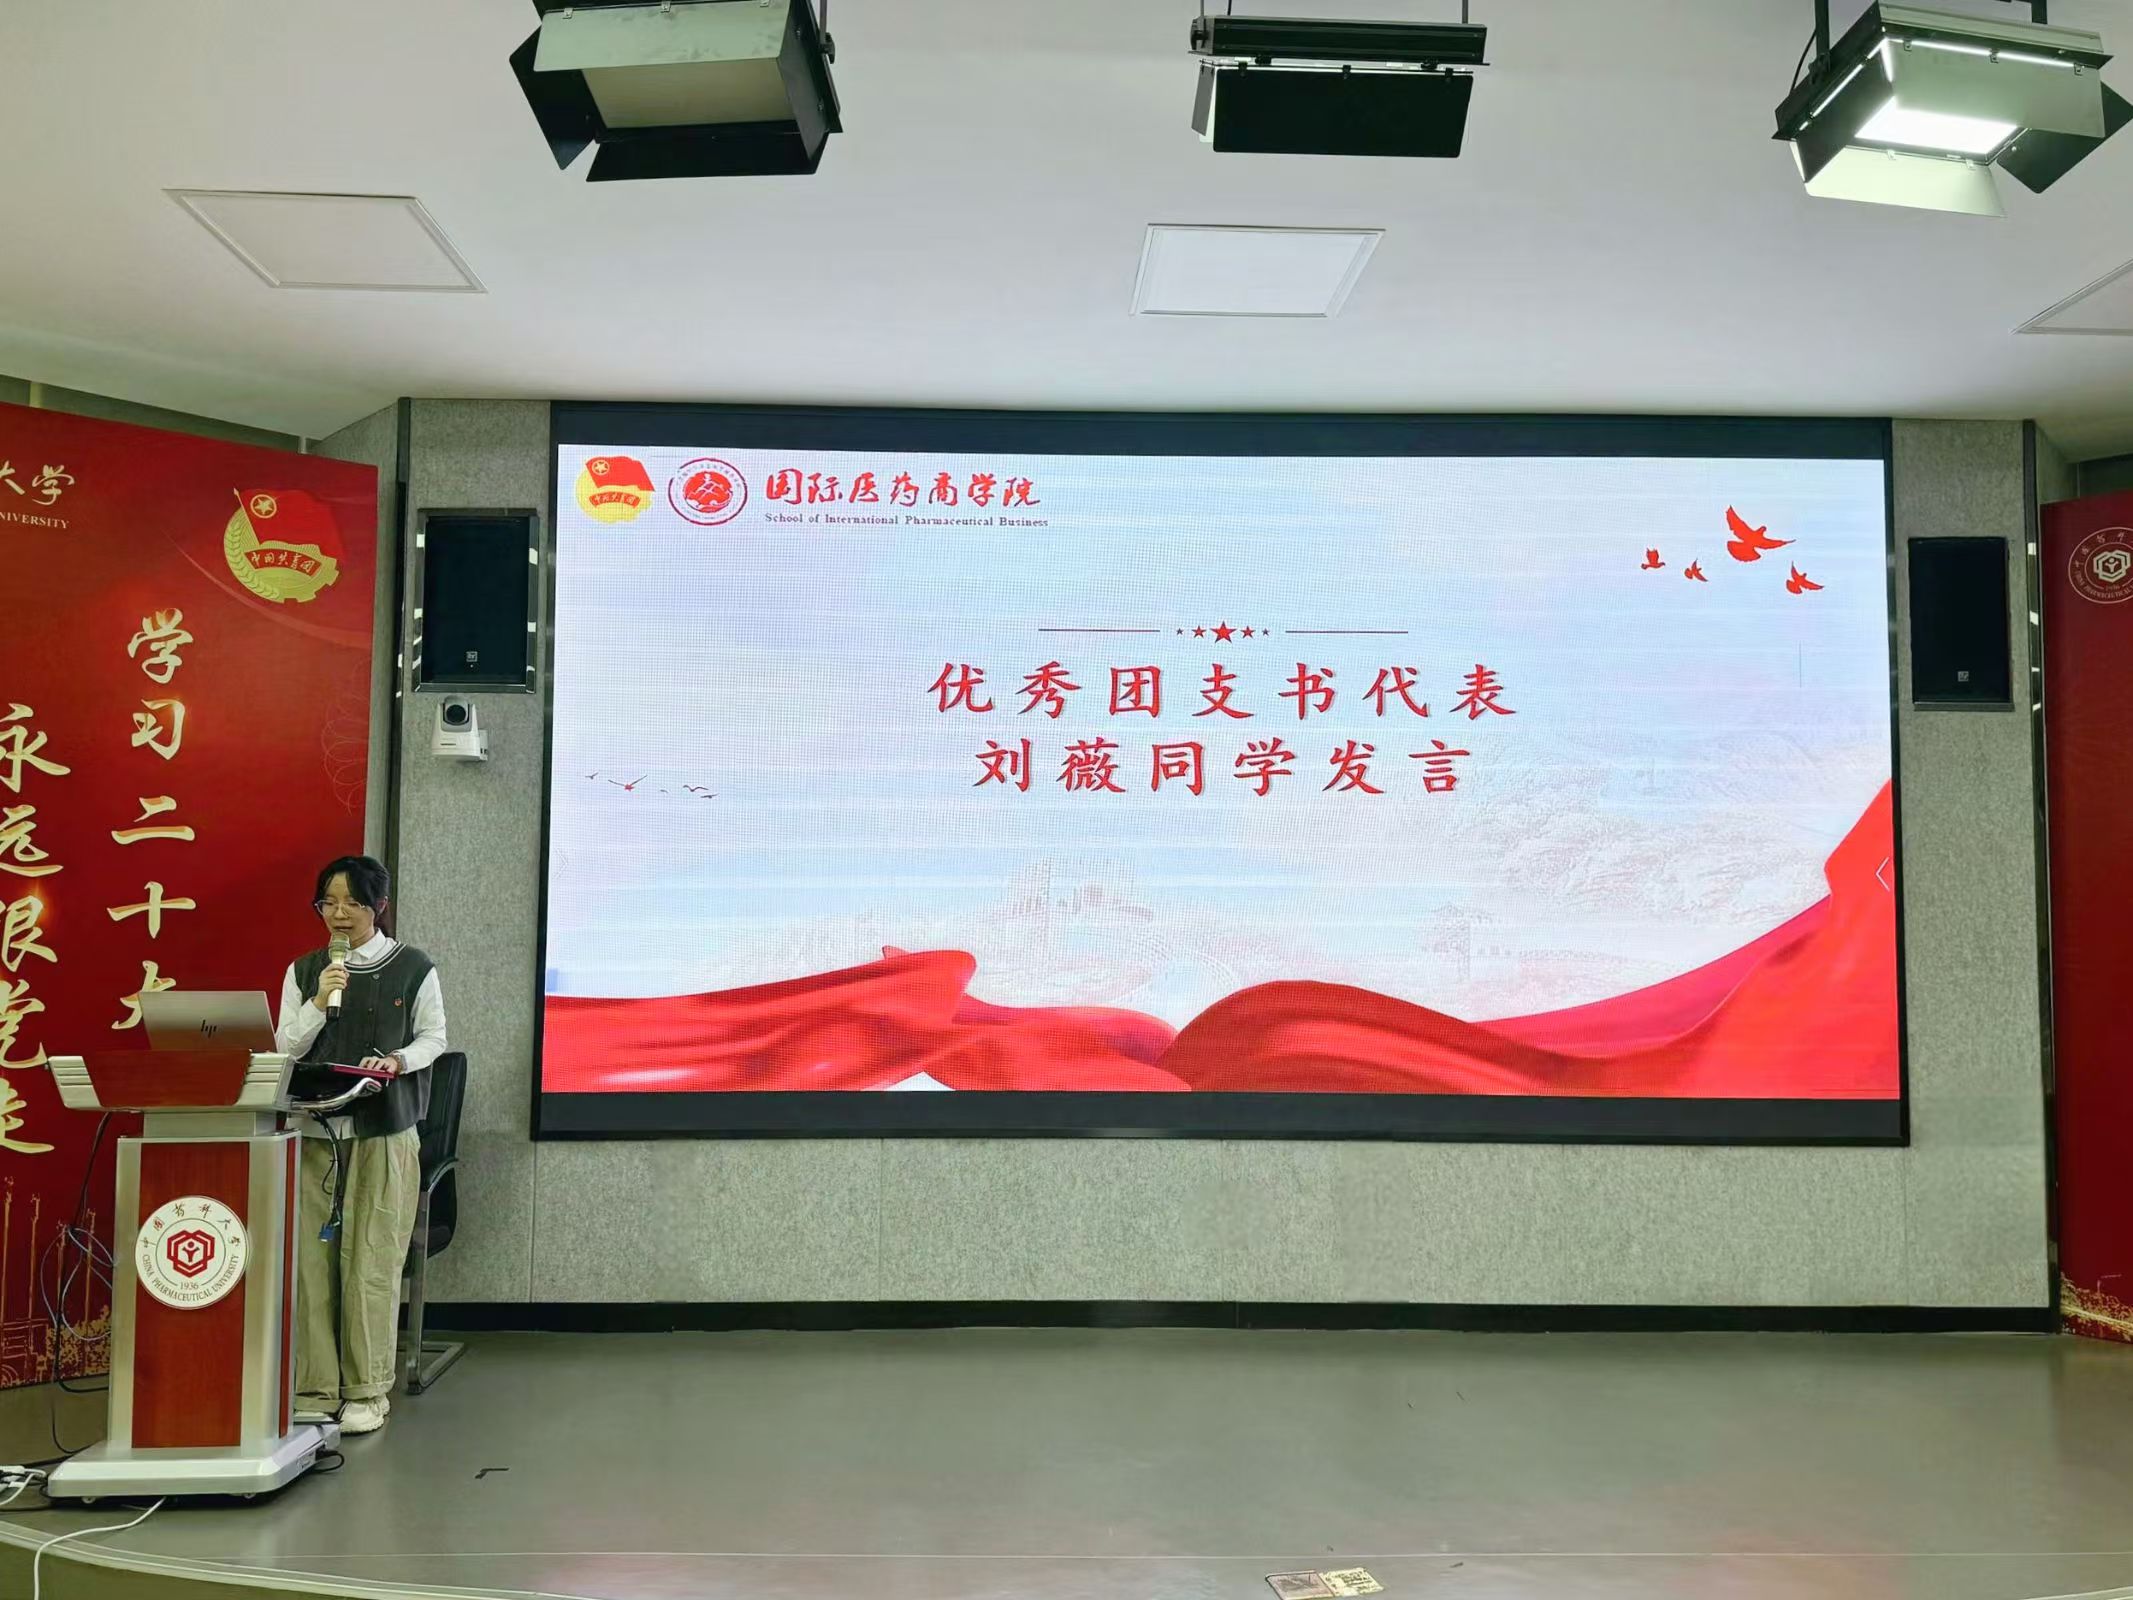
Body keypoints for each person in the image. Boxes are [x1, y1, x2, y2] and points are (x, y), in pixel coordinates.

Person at [273, 855, 446, 1436]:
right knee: (312, 1265)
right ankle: (315, 1387)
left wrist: (397, 1060)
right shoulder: (306, 970)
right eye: (329, 902)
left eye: (353, 902)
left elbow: (434, 1038)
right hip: (316, 1132)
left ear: (379, 907)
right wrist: (319, 1001)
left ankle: (368, 1391)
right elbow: (285, 1049)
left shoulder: (413, 966)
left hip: (384, 1131)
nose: (339, 914)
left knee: (371, 1261)